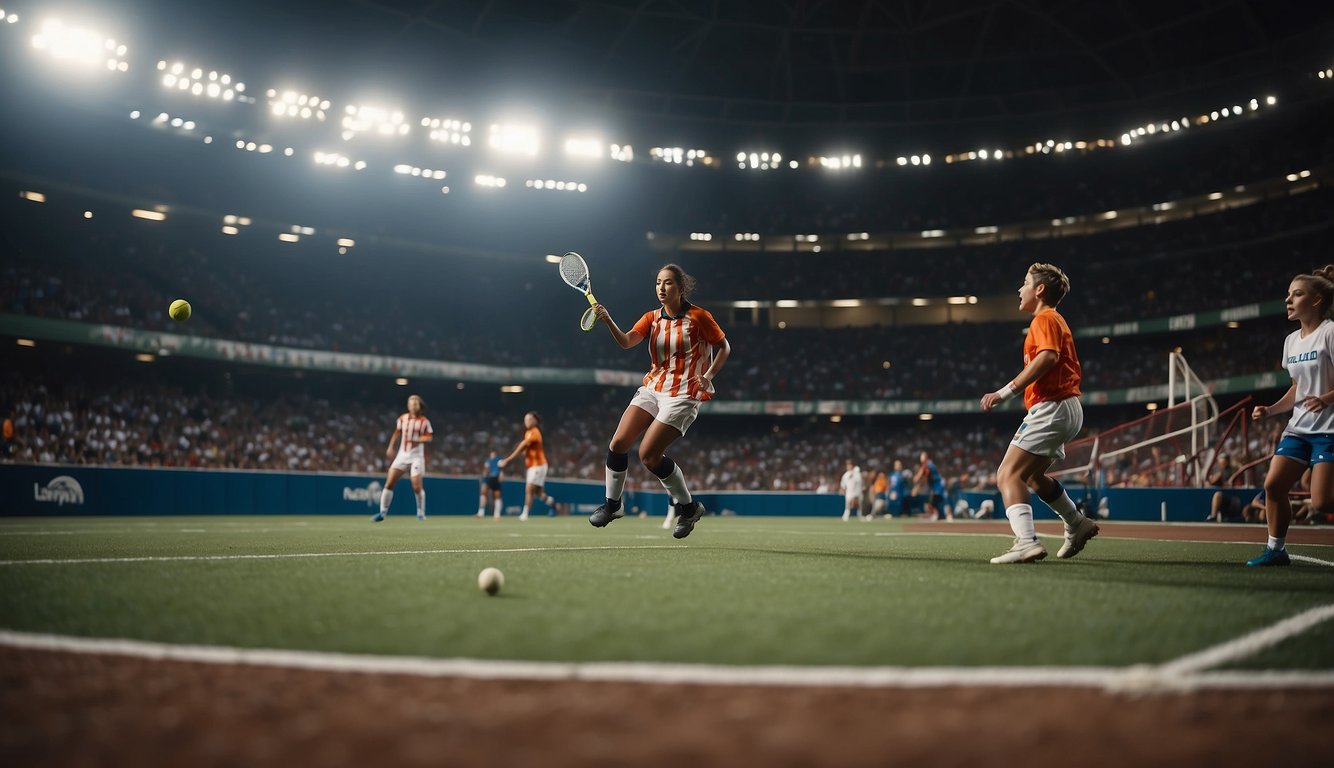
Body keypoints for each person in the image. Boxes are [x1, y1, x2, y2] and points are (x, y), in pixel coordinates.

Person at [587, 263, 731, 539]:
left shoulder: (700, 317)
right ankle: (613, 505)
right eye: (657, 283)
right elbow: (628, 342)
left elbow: (724, 347)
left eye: (667, 283)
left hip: (683, 394)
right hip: (653, 388)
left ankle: (688, 509)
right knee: (617, 444)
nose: (661, 289)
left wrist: (709, 375)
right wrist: (608, 321)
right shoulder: (651, 318)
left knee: (649, 456)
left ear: (681, 288)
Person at [980, 263, 1099, 563]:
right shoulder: (1054, 319)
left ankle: (1026, 541)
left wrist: (1004, 392)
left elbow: (1048, 357)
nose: (1020, 290)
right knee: (1033, 477)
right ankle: (1076, 522)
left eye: (1024, 283)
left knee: (1007, 474)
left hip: (1052, 406)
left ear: (1039, 289)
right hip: (1068, 407)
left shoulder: (1044, 318)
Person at [1247, 265, 1334, 565]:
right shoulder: (1291, 341)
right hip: (1298, 428)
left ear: (1316, 301)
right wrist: (1270, 410)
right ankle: (1276, 550)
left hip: (1329, 430)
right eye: (1288, 294)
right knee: (1273, 485)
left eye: (1296, 294)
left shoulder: (1330, 332)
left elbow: (1320, 390)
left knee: (1322, 502)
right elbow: (1298, 387)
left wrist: (1326, 399)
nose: (1288, 299)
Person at [374, 394, 433, 522]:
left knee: (416, 486)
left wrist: (418, 439)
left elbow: (429, 437)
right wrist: (390, 447)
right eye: (410, 403)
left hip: (416, 456)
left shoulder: (424, 421)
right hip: (402, 455)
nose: (412, 406)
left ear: (419, 406)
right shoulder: (402, 418)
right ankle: (382, 513)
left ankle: (420, 513)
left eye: (415, 403)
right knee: (389, 483)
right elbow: (397, 432)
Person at [499, 411, 559, 521]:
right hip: (533, 466)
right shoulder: (528, 433)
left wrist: (508, 459)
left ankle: (525, 514)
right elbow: (526, 449)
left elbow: (523, 445)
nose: (527, 422)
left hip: (538, 465)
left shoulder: (535, 432)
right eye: (525, 420)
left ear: (535, 421)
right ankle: (552, 502)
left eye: (529, 419)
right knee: (538, 492)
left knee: (529, 488)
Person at [914, 451, 949, 521]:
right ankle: (941, 516)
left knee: (932, 501)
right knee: (936, 502)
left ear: (926, 458)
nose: (921, 459)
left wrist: (917, 486)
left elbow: (923, 476)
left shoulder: (929, 465)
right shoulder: (926, 466)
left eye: (923, 457)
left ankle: (935, 515)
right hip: (935, 487)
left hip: (938, 486)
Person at [478, 449, 504, 519]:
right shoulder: (488, 460)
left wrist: (501, 475)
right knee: (483, 492)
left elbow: (501, 469)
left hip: (496, 478)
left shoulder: (499, 460)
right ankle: (481, 512)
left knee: (497, 496)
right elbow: (486, 469)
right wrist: (484, 475)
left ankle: (497, 514)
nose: (492, 455)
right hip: (489, 478)